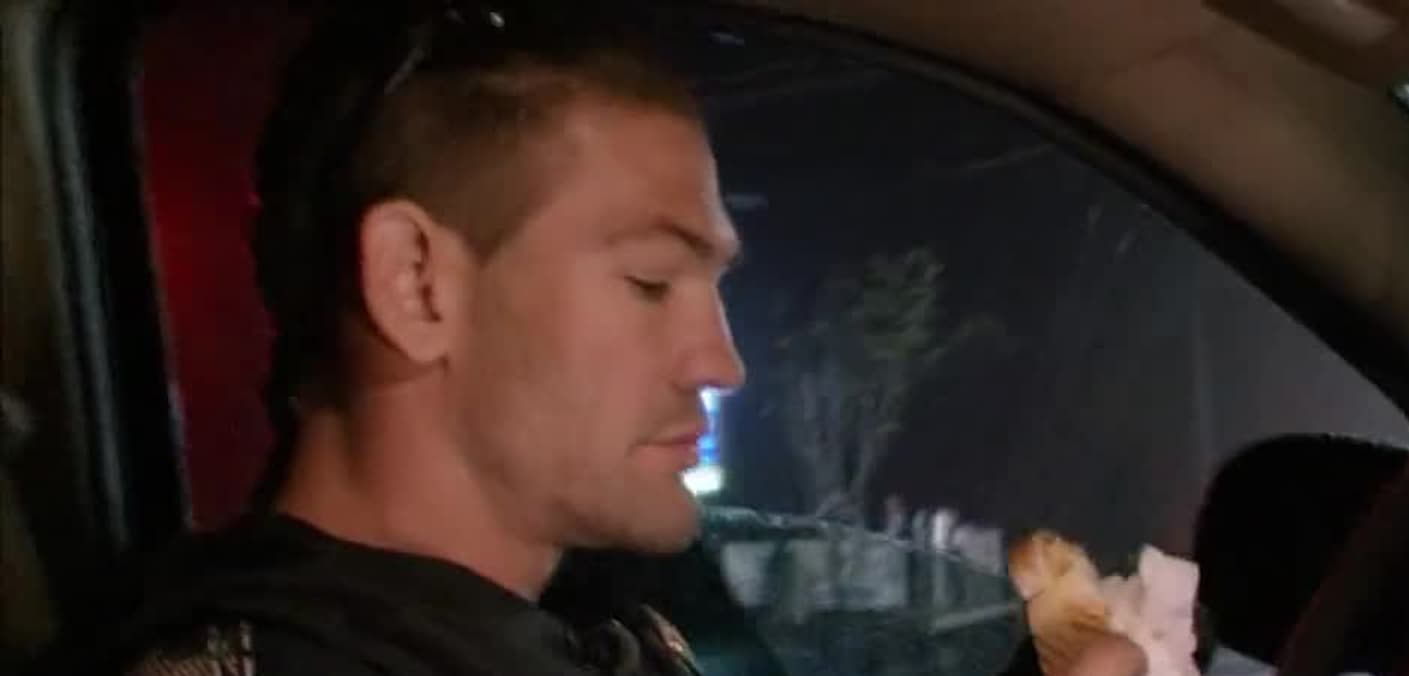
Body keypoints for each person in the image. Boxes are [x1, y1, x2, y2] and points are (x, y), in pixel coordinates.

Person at [52, 2, 1149, 675]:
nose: (721, 363)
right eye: (649, 281)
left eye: (711, 287)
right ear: (416, 282)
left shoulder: (572, 606)